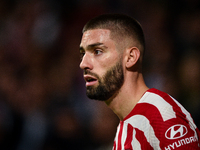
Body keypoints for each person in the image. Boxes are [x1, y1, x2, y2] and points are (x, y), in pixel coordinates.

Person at [79, 13, 200, 150]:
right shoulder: (124, 131)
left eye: (98, 51)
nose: (83, 64)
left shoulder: (162, 116)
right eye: (83, 54)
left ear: (130, 58)